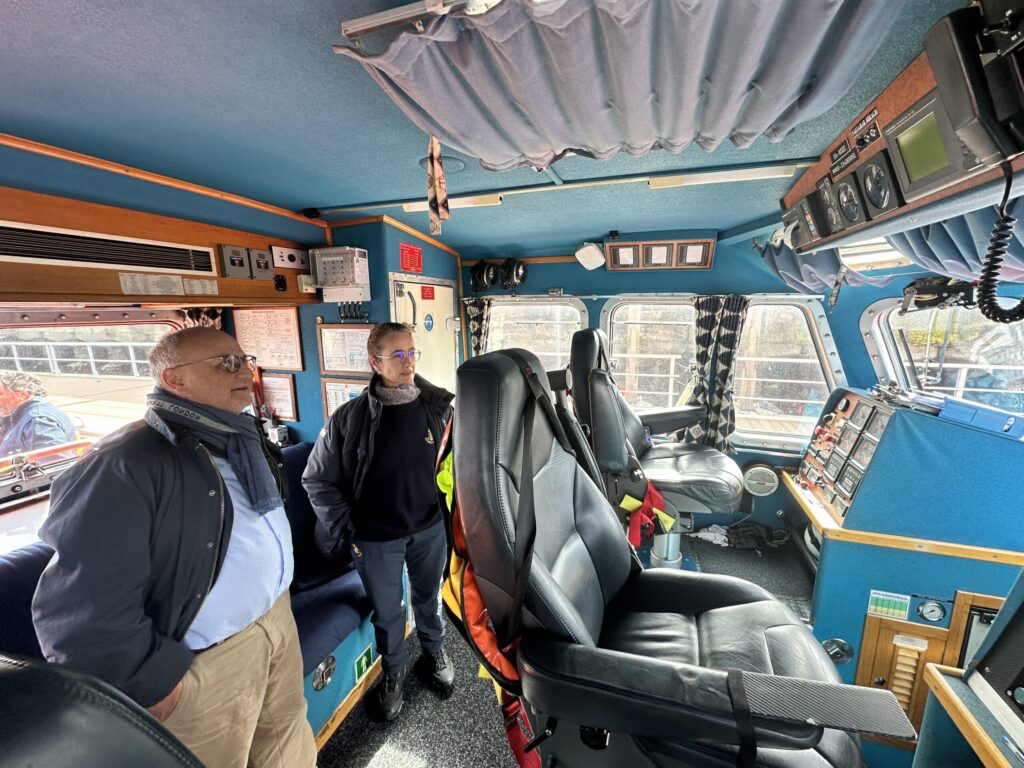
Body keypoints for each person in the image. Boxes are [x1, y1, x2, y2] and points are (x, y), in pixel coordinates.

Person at [32, 327, 317, 768]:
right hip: (206, 661)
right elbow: (80, 608)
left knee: (288, 747)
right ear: (174, 380)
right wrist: (153, 685)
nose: (244, 372)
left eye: (244, 360)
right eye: (226, 363)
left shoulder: (241, 438)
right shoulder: (123, 462)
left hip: (275, 621)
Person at [303, 322, 455, 721]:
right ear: (375, 362)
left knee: (429, 598)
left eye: (412, 352)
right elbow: (316, 480)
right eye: (397, 355)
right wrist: (349, 527)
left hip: (429, 529)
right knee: (388, 612)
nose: (408, 362)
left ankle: (434, 651)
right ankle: (394, 671)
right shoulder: (349, 419)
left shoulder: (439, 409)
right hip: (374, 538)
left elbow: (457, 469)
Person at [0, 371, 77, 458]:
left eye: (0, 393)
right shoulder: (19, 415)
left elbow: (55, 462)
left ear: (22, 395)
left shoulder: (38, 422)